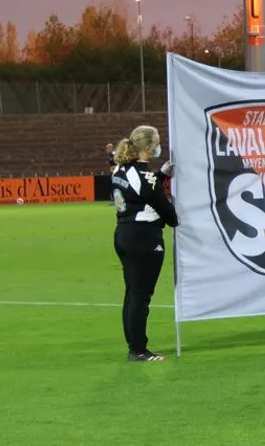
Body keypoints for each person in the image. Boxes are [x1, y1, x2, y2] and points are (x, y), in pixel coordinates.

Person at [110, 125, 178, 362]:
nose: (159, 147)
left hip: (124, 234)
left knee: (132, 294)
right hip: (145, 237)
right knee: (141, 296)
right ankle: (138, 350)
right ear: (148, 147)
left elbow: (140, 190)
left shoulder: (120, 168)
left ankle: (134, 345)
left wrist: (162, 175)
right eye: (157, 143)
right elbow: (167, 212)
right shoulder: (144, 176)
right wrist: (174, 211)